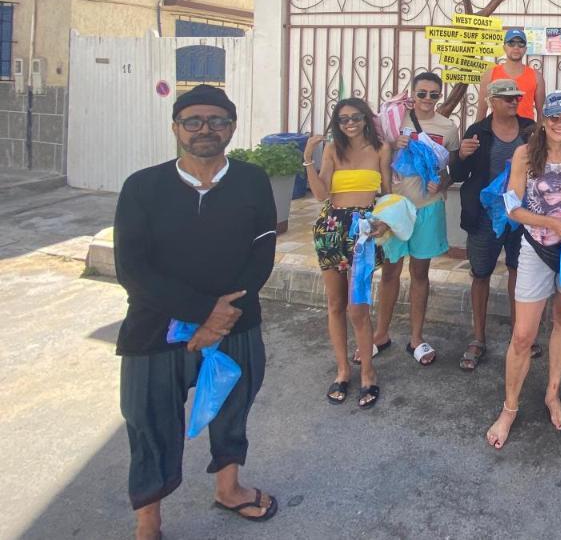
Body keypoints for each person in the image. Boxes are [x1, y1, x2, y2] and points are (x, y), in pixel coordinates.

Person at [114, 84, 278, 538]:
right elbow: (132, 267)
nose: (205, 129)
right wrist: (205, 314)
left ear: (232, 127)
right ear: (176, 128)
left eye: (217, 121)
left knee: (233, 408)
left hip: (237, 323)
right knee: (149, 422)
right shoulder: (142, 187)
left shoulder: (252, 180)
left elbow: (261, 253)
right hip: (154, 328)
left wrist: (223, 318)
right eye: (194, 121)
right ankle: (148, 522)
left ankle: (229, 489)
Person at [486, 91, 561, 449]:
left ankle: (553, 395)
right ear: (543, 120)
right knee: (523, 335)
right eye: (553, 117)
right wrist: (550, 224)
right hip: (536, 247)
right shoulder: (525, 155)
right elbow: (512, 209)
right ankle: (509, 408)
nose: (559, 124)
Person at [304, 97, 392, 410]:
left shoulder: (381, 148)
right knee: (335, 303)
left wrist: (384, 220)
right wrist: (307, 158)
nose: (350, 123)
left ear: (366, 118)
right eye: (343, 119)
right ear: (336, 124)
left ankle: (368, 371)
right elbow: (320, 193)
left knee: (358, 307)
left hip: (363, 231)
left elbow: (388, 193)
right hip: (331, 227)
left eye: (356, 117)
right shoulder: (332, 150)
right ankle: (343, 370)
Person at [369, 72, 460, 367]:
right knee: (390, 273)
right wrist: (393, 145)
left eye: (434, 95)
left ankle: (416, 338)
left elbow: (451, 170)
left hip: (428, 208)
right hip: (396, 208)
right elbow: (377, 155)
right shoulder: (394, 119)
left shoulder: (448, 127)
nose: (427, 100)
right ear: (413, 93)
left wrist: (442, 184)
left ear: (440, 96)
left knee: (420, 274)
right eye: (422, 93)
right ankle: (380, 334)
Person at [450, 78, 536, 371]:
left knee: (517, 271)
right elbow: (460, 174)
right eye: (508, 98)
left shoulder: (530, 130)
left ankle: (519, 333)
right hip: (485, 216)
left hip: (520, 217)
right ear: (493, 102)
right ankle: (478, 338)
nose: (514, 102)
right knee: (481, 274)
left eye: (517, 98)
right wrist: (461, 154)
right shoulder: (478, 132)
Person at [477, 28, 545, 122]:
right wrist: (475, 134)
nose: (516, 47)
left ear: (525, 49)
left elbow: (541, 114)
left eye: (521, 43)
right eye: (511, 43)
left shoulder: (537, 77)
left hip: (526, 132)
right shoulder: (490, 74)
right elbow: (481, 111)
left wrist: (539, 135)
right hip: (497, 132)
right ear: (504, 47)